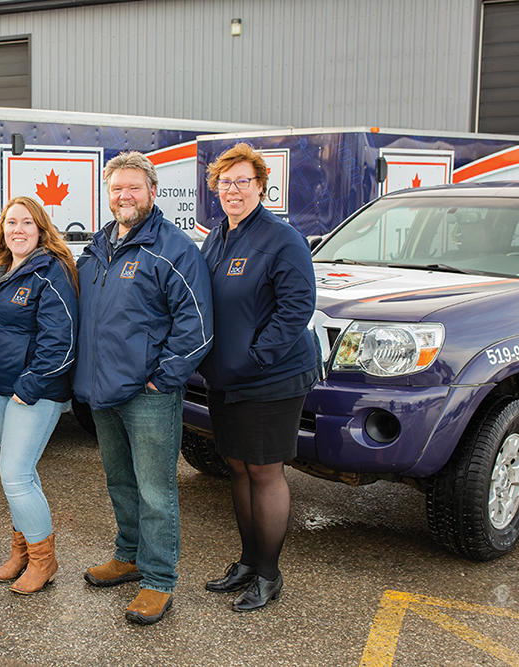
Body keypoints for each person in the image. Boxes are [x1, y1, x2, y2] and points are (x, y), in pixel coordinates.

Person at [72, 151, 213, 625]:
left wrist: (163, 379)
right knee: (120, 481)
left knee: (156, 490)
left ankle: (157, 580)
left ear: (153, 192)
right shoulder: (97, 248)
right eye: (116, 188)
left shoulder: (174, 250)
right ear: (107, 194)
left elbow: (196, 326)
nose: (124, 196)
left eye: (134, 187)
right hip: (102, 392)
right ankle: (128, 556)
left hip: (148, 394)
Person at [198, 142, 317, 612]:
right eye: (225, 183)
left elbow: (295, 309)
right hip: (225, 379)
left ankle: (269, 573)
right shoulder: (217, 237)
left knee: (265, 472)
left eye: (242, 181)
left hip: (271, 378)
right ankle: (248, 561)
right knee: (238, 467)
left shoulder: (281, 238)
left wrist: (253, 357)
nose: (233, 190)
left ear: (262, 186)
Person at [0, 196, 79, 595]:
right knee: (22, 474)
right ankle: (22, 552)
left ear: (40, 229)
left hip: (34, 392)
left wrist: (30, 385)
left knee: (14, 474)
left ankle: (44, 560)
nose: (17, 230)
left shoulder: (51, 271)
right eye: (11, 222)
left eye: (26, 223)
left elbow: (60, 338)